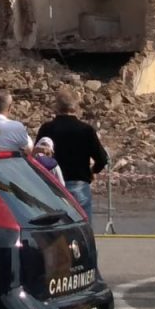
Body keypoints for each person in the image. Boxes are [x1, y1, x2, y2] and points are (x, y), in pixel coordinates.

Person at [36, 90, 108, 218]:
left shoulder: (47, 128)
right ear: (76, 107)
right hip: (79, 185)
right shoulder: (86, 130)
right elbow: (102, 159)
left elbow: (36, 159)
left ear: (56, 106)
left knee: (56, 229)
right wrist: (92, 171)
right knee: (82, 229)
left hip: (52, 185)